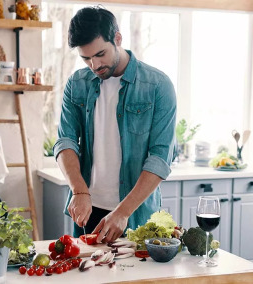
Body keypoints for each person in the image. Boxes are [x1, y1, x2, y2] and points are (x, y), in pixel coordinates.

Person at [53, 6, 177, 243]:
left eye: (100, 54)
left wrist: (122, 212)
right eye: (86, 58)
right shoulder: (76, 84)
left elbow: (161, 158)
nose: (94, 65)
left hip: (135, 212)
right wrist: (79, 190)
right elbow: (65, 141)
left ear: (118, 38)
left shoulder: (158, 86)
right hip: (87, 209)